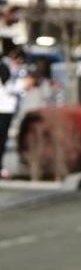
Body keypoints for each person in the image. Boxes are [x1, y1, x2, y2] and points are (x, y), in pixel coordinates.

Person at [0, 46, 25, 179]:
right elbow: (8, 87)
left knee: (3, 140)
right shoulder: (4, 67)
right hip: (2, 109)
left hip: (7, 109)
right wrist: (23, 85)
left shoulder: (12, 69)